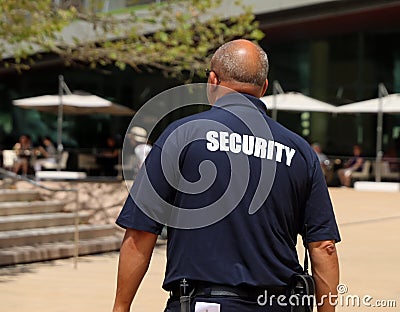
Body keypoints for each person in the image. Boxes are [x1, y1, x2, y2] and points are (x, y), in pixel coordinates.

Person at [113, 39, 340, 312]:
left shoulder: (181, 136)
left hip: (201, 303)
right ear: (264, 87)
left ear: (212, 80)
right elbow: (323, 246)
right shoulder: (300, 151)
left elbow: (140, 232)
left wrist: (121, 307)